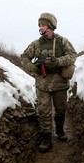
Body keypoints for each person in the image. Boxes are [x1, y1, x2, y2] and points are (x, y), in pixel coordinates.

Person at [20, 12, 77, 153]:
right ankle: (46, 138)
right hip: (43, 84)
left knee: (61, 110)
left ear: (50, 26)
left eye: (43, 24)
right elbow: (24, 57)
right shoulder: (36, 44)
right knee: (44, 111)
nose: (40, 27)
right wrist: (33, 68)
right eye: (39, 25)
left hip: (60, 83)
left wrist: (58, 61)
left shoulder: (62, 41)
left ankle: (60, 130)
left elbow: (72, 55)